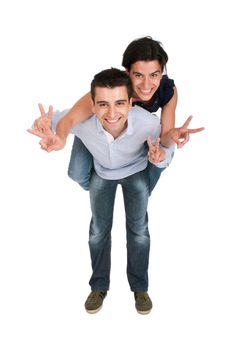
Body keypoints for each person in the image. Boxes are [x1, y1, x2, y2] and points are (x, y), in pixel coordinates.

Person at [28, 68, 204, 314]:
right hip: (103, 174)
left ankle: (140, 288)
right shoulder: (83, 122)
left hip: (136, 173)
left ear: (131, 103)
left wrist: (161, 154)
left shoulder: (148, 123)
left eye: (120, 103)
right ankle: (99, 285)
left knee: (139, 231)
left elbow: (166, 151)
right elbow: (54, 123)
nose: (112, 113)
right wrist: (47, 128)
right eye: (103, 104)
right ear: (92, 105)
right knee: (98, 231)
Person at [33, 36, 190, 192]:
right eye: (138, 75)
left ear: (161, 73)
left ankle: (140, 192)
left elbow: (165, 138)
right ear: (127, 73)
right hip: (101, 127)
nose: (146, 85)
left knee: (159, 160)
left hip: (137, 133)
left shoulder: (168, 91)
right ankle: (104, 186)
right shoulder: (112, 89)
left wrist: (174, 135)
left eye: (154, 75)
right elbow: (70, 118)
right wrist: (60, 137)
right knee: (77, 173)